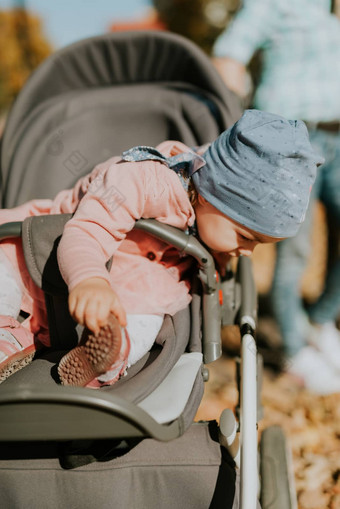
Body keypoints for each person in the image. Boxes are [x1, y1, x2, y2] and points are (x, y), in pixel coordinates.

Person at [0, 110, 322, 388]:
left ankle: (108, 355)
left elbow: (216, 257)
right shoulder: (143, 180)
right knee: (4, 276)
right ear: (212, 195)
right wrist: (89, 279)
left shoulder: (215, 215)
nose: (248, 252)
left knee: (149, 319)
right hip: (43, 259)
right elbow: (89, 230)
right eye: (245, 237)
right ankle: (7, 336)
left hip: (130, 290)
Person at [212, 0, 340, 394]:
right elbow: (229, 53)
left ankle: (319, 321)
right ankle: (294, 348)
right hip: (292, 138)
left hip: (338, 134)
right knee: (295, 248)